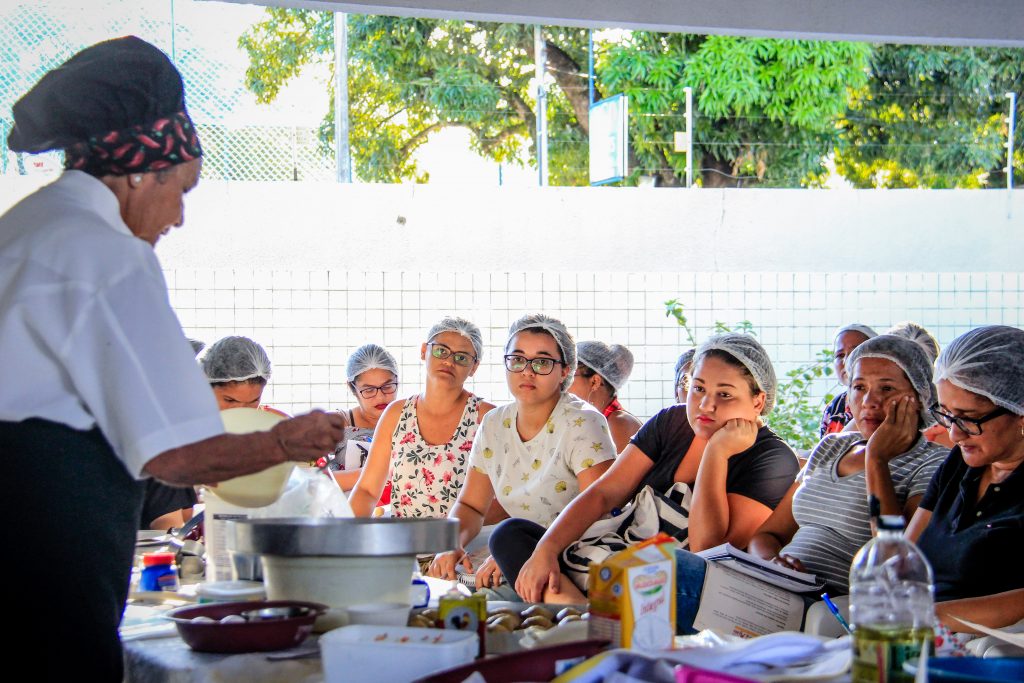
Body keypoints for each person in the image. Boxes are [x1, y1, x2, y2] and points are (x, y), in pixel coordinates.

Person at [0, 37, 343, 681]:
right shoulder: (108, 255)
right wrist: (288, 440)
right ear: (140, 170)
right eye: (182, 188)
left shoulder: (23, 229)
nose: (180, 216)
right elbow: (179, 455)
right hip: (41, 568)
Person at [499, 333, 799, 604]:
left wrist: (716, 454)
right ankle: (581, 614)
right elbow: (605, 493)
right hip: (618, 556)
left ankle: (580, 616)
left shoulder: (772, 458)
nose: (706, 405)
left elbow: (708, 553)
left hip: (679, 583)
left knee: (679, 572)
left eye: (725, 394)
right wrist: (546, 551)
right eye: (698, 388)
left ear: (758, 401)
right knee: (511, 535)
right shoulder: (671, 422)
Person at [747, 334, 947, 594]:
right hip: (773, 587)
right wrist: (771, 563)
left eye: (886, 389)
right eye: (859, 387)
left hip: (832, 608)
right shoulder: (832, 446)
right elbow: (767, 536)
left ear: (919, 396)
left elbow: (896, 560)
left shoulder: (931, 462)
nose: (869, 402)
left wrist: (876, 459)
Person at [428, 314, 616, 588]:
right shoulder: (494, 425)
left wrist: (520, 553)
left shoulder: (581, 422)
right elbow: (471, 505)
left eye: (542, 362)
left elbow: (600, 512)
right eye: (517, 359)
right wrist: (451, 544)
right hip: (518, 550)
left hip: (578, 559)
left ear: (565, 370)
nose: (527, 371)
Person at [905, 325, 1024, 633]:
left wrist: (931, 615)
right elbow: (905, 556)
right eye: (945, 414)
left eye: (969, 419)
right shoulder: (960, 464)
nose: (954, 434)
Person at [350, 317, 495, 518]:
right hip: (404, 543)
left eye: (461, 357)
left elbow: (510, 498)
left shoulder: (486, 418)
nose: (448, 361)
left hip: (465, 545)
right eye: (440, 350)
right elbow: (367, 491)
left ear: (474, 367)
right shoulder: (396, 414)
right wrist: (342, 538)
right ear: (424, 351)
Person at [331, 343, 400, 492]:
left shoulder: (413, 420)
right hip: (352, 513)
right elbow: (312, 479)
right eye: (369, 390)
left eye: (387, 386)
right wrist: (375, 474)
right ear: (352, 388)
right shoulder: (339, 422)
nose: (380, 397)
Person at [569, 341, 643, 451]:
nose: (562, 383)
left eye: (570, 377)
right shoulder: (598, 419)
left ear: (595, 382)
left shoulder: (620, 424)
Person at [820, 324, 877, 436]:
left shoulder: (884, 403)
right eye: (840, 355)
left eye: (855, 352)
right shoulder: (834, 407)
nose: (846, 361)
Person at [201, 335, 281, 412]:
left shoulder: (274, 420)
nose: (242, 410)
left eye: (254, 401)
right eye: (230, 400)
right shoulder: (192, 422)